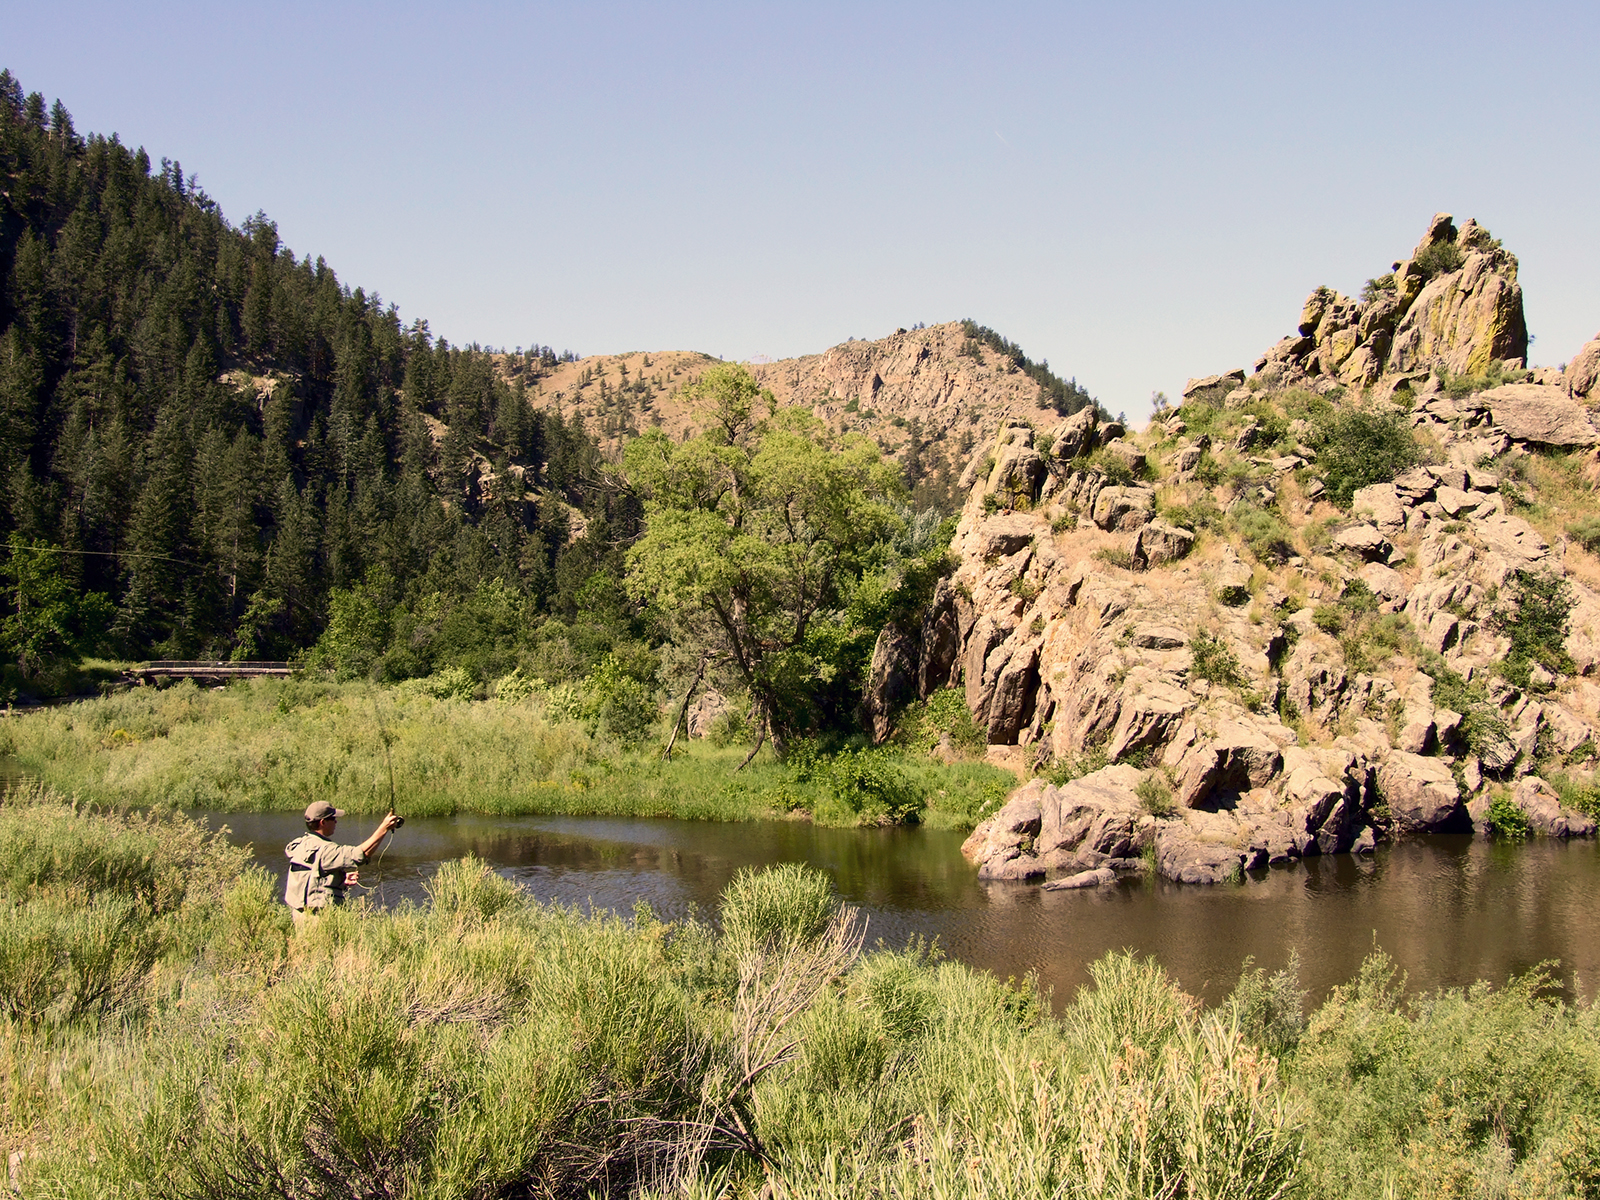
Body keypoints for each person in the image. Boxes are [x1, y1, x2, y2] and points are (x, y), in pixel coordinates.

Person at [284, 801, 401, 927]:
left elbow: (309, 874)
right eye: (333, 818)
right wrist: (383, 828)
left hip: (300, 916)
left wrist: (340, 879)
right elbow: (360, 854)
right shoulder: (326, 850)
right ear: (323, 822)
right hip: (319, 920)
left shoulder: (300, 844)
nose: (336, 822)